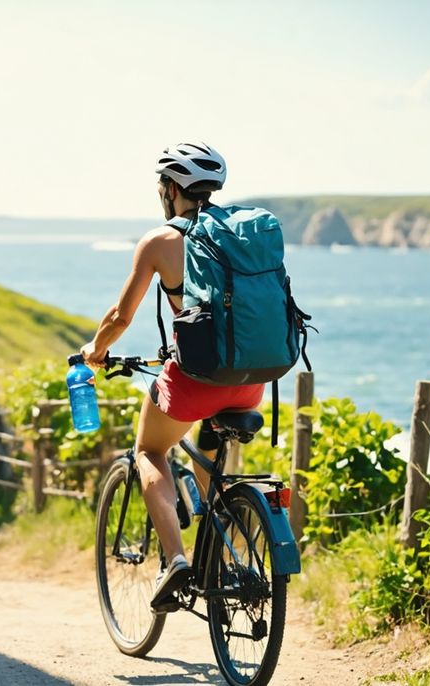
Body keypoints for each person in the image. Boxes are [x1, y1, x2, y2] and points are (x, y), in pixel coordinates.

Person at [80, 142, 265, 610]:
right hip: (252, 379)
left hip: (196, 380)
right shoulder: (241, 234)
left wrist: (95, 351)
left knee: (149, 450)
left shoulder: (161, 241)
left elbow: (122, 316)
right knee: (209, 451)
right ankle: (224, 549)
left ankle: (177, 562)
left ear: (170, 189)